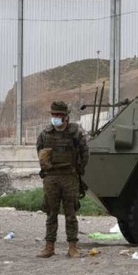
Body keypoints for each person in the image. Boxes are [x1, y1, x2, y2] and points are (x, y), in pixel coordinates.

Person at [36, 101, 89, 258]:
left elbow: (85, 153)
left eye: (59, 115)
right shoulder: (45, 134)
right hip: (51, 177)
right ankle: (49, 247)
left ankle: (72, 247)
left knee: (70, 213)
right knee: (51, 213)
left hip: (69, 177)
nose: (56, 118)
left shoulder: (75, 133)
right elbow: (40, 153)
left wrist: (78, 170)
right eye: (54, 115)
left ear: (66, 116)